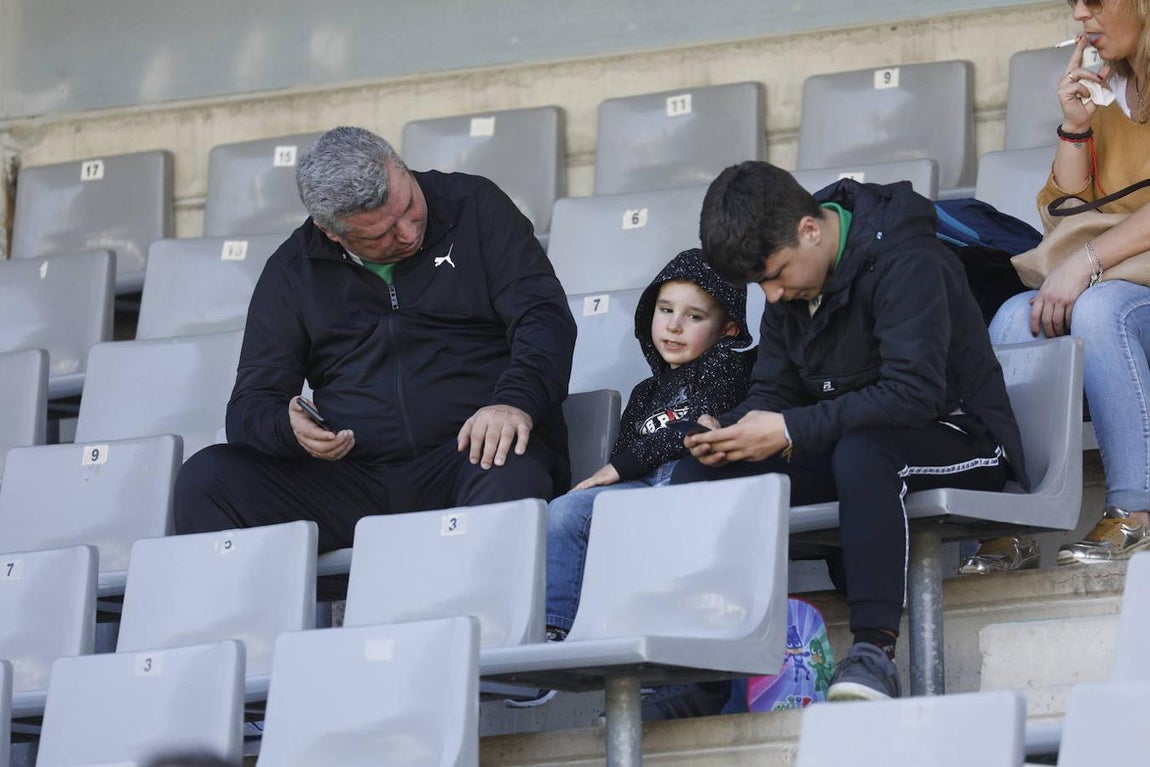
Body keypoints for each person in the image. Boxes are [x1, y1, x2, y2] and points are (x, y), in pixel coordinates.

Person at [670, 162, 1028, 701]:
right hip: (852, 443)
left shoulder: (909, 259)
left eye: (777, 274)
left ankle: (872, 654)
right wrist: (731, 431)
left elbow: (916, 393)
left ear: (811, 231)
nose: (771, 294)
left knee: (864, 453)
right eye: (759, 283)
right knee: (701, 469)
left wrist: (790, 427)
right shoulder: (789, 285)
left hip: (962, 434)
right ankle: (703, 676)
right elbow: (774, 391)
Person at [173, 127, 576, 552]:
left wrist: (513, 401)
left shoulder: (475, 205)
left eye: (409, 208)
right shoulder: (293, 271)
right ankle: (248, 621)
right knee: (207, 479)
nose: (406, 234)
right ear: (330, 232)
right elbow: (250, 403)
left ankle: (482, 617)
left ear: (399, 167)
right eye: (378, 235)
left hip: (472, 453)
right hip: (355, 479)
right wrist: (287, 429)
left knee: (509, 462)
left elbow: (543, 318)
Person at [966, 0, 1150, 572]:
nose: (1080, 15)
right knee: (1013, 319)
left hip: (1119, 287)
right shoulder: (1109, 92)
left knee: (1099, 311)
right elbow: (1068, 218)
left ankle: (1137, 508)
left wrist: (1085, 265)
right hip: (1119, 273)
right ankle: (1012, 518)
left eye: (1095, 1)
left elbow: (1084, 252)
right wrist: (1075, 127)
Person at [545, 247, 754, 638]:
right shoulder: (644, 392)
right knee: (564, 512)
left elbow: (697, 431)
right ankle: (554, 631)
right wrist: (622, 468)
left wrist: (625, 465)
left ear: (727, 329)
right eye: (665, 310)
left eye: (694, 316)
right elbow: (623, 458)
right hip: (641, 490)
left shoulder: (727, 366)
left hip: (692, 484)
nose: (674, 326)